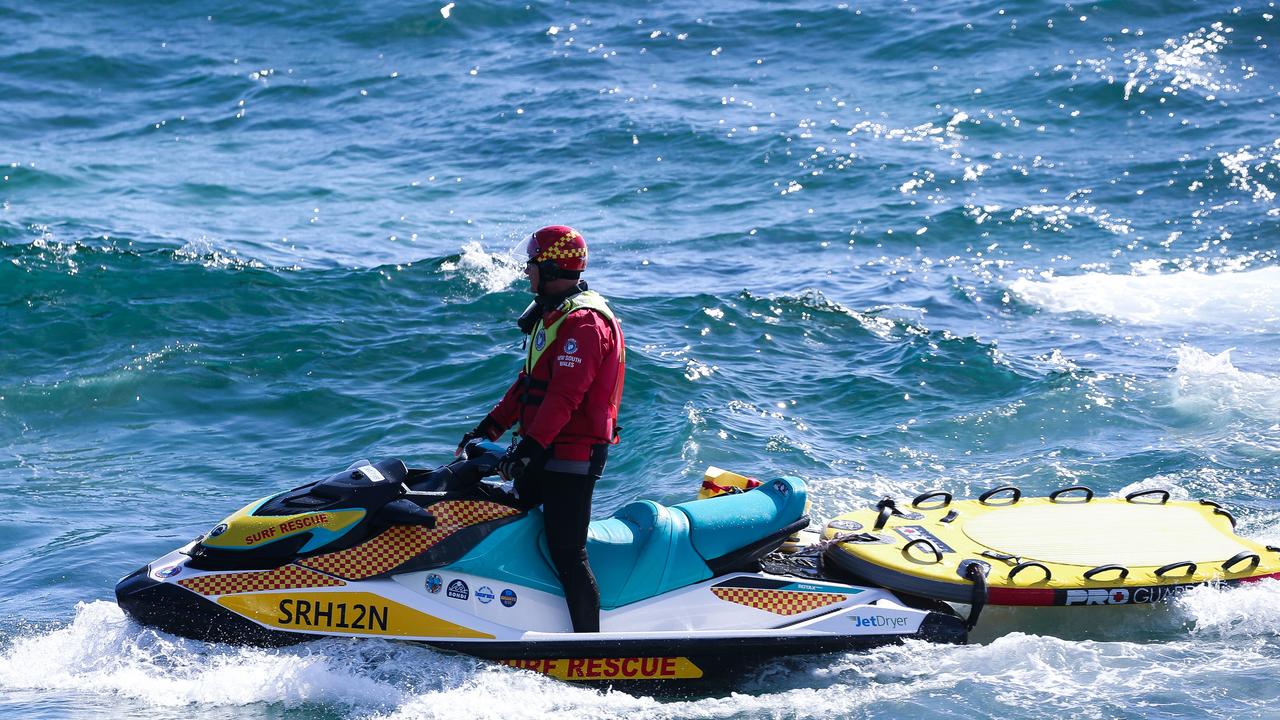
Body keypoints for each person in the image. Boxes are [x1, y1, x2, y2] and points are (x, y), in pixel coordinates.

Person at [457, 225, 625, 633]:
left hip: (570, 457)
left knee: (568, 552)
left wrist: (528, 449)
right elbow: (529, 383)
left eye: (531, 265)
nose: (526, 272)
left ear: (550, 269)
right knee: (498, 514)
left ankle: (589, 646)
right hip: (543, 450)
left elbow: (564, 398)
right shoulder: (553, 317)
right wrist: (488, 429)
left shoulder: (584, 324)